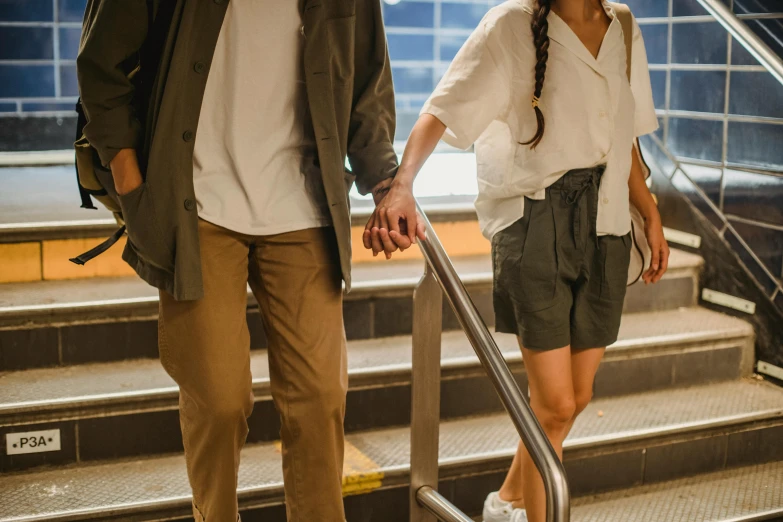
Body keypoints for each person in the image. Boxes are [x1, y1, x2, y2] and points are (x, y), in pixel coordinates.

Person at [77, 1, 398, 521]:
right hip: (195, 205)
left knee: (319, 399)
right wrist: (130, 179)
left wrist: (386, 180)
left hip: (304, 204)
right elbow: (102, 65)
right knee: (219, 401)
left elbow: (367, 79)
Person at [363, 1, 669, 521]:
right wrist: (403, 185)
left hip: (609, 223)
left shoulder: (623, 24)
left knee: (575, 397)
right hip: (536, 221)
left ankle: (505, 502)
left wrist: (651, 214)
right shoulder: (512, 24)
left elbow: (626, 138)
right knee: (554, 405)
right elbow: (444, 107)